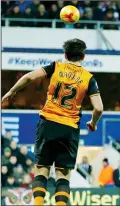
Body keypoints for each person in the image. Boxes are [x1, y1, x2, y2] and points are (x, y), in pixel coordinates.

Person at [2, 38, 104, 206]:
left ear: (65, 54)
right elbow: (99, 108)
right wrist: (93, 122)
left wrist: (12, 91)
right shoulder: (89, 78)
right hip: (69, 129)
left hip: (48, 123)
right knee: (63, 176)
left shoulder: (56, 67)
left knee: (41, 170)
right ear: (83, 57)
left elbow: (29, 77)